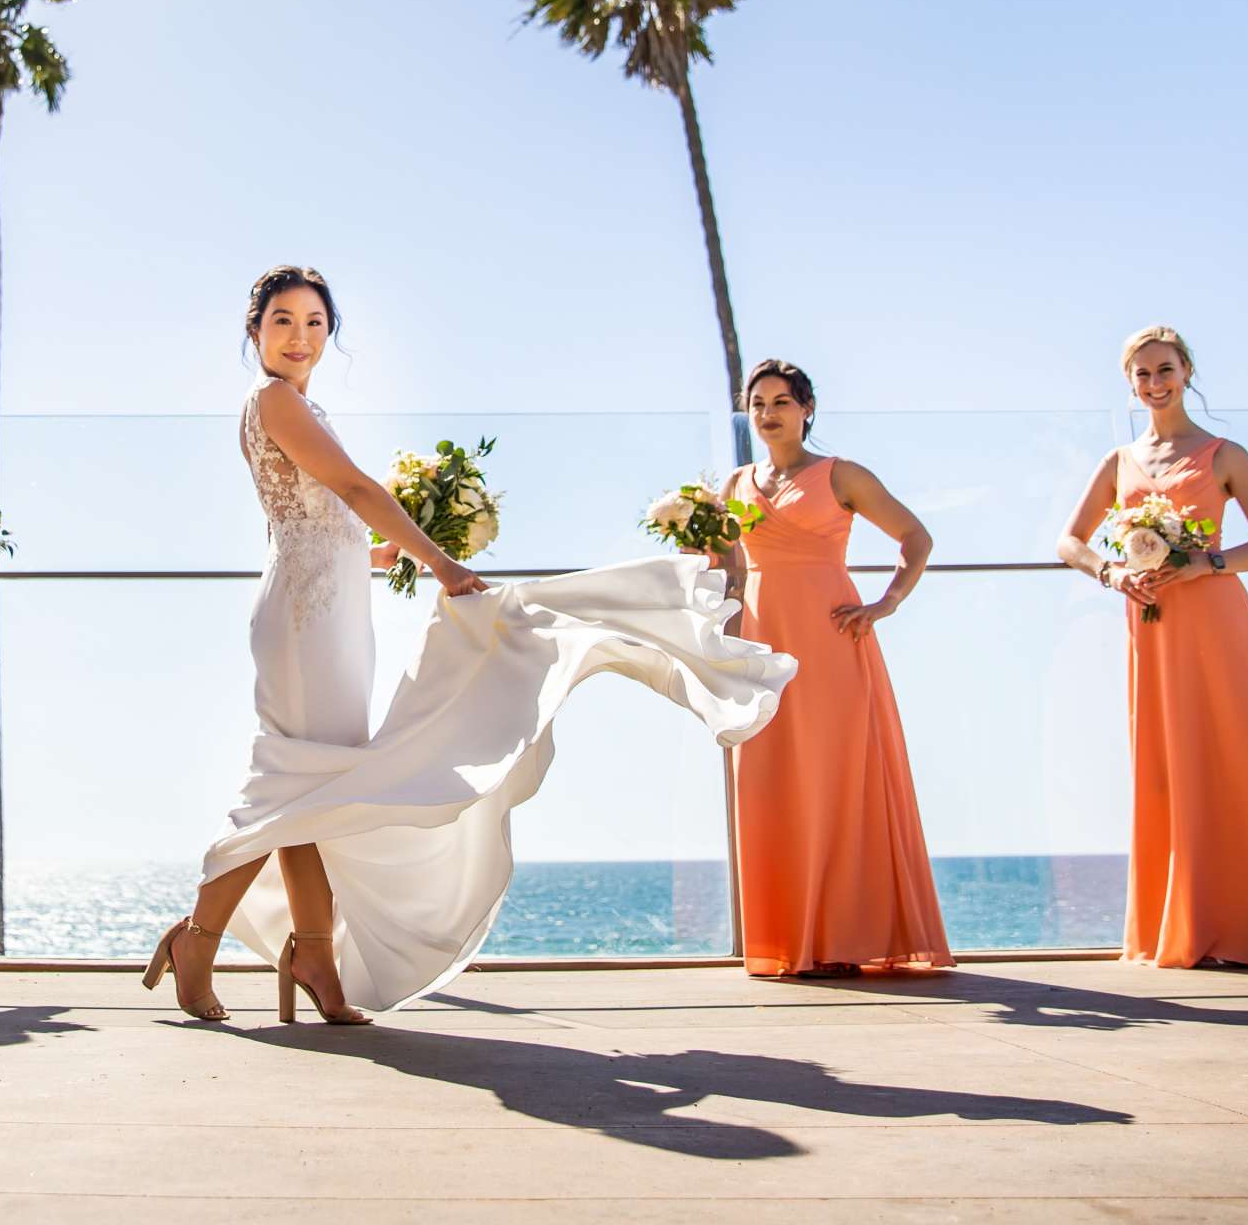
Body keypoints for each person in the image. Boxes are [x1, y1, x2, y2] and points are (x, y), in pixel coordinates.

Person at [144, 266, 795, 1022]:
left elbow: (321, 521)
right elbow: (354, 491)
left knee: (311, 786)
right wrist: (440, 562)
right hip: (302, 619)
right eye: (283, 321)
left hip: (329, 610)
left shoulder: (300, 404)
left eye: (316, 323)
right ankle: (203, 939)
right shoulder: (273, 400)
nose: (300, 337)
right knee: (290, 781)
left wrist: (380, 556)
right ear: (254, 330)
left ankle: (313, 952)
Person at [1055, 324, 1248, 969]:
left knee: (1243, 752)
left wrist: (1209, 563)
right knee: (1172, 763)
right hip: (1152, 624)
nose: (1154, 383)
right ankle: (1189, 924)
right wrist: (1113, 573)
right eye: (1141, 374)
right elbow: (1070, 541)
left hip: (1218, 618)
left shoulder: (1226, 454)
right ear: (1129, 384)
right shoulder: (1118, 462)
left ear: (1187, 372)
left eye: (1165, 369)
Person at [713, 359, 952, 978]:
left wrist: (886, 603)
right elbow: (726, 568)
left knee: (837, 778)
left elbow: (916, 538)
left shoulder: (841, 474)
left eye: (782, 403)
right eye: (759, 404)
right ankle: (791, 939)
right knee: (772, 780)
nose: (768, 415)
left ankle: (845, 938)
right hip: (764, 646)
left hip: (831, 640)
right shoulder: (735, 484)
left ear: (806, 409)